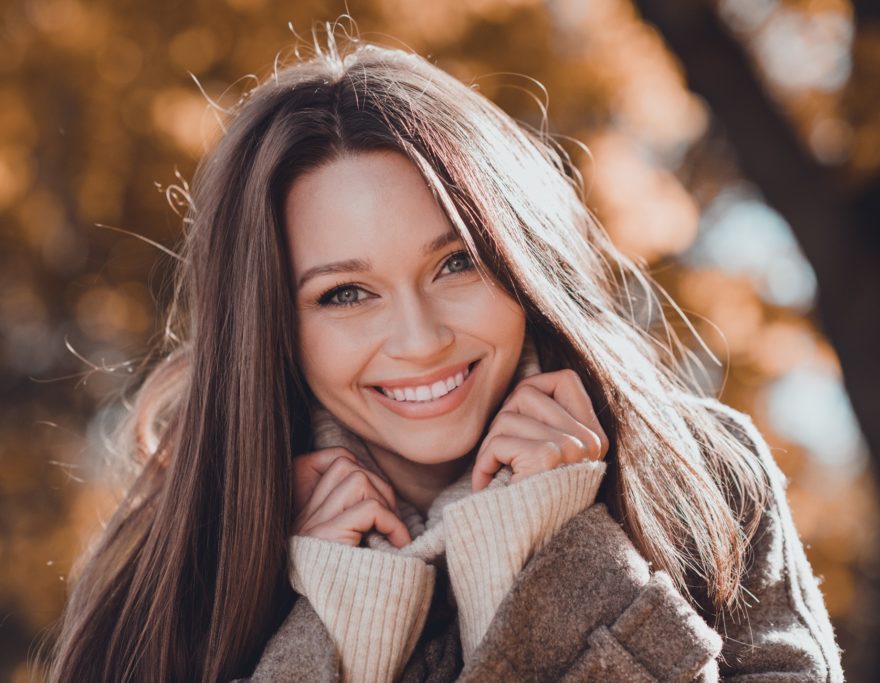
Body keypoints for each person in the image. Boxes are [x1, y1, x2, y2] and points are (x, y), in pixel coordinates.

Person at [42, 24, 844, 683]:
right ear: (271, 328)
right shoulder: (173, 565)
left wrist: (542, 567)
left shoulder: (701, 474)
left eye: (456, 262)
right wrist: (342, 629)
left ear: (520, 260)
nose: (421, 339)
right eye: (345, 294)